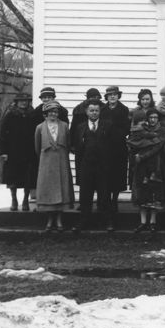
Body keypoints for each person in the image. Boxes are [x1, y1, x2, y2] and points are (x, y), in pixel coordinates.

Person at [71, 100, 112, 232]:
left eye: (96, 110)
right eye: (91, 110)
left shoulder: (108, 125)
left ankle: (106, 222)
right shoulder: (80, 127)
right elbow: (78, 150)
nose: (94, 113)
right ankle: (83, 221)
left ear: (100, 112)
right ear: (86, 112)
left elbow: (112, 147)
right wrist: (80, 168)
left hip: (103, 166)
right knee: (85, 196)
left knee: (104, 195)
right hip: (86, 166)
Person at [34, 101, 73, 232]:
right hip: (46, 164)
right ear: (45, 114)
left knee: (62, 190)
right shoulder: (40, 127)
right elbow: (37, 147)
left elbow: (68, 144)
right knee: (48, 191)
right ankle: (49, 221)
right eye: (50, 112)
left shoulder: (64, 126)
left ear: (58, 113)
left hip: (61, 162)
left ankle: (59, 220)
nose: (53, 114)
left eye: (55, 112)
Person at [127, 108, 165, 233]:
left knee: (154, 192)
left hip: (156, 165)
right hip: (142, 166)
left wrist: (142, 155)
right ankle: (143, 221)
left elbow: (158, 146)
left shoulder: (161, 130)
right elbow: (134, 143)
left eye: (155, 118)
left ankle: (153, 222)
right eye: (151, 118)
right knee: (142, 192)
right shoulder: (142, 130)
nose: (153, 120)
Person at [0, 93, 36, 212]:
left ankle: (25, 201)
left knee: (28, 178)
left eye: (26, 101)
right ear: (17, 102)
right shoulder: (10, 115)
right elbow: (2, 134)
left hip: (29, 151)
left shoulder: (32, 115)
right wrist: (3, 151)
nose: (24, 103)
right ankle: (14, 200)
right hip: (13, 152)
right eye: (21, 101)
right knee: (12, 178)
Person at [101, 86, 131, 212]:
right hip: (104, 147)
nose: (112, 96)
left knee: (118, 174)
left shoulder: (124, 110)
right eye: (110, 95)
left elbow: (126, 128)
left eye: (115, 94)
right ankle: (106, 200)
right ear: (106, 97)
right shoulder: (102, 109)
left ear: (118, 96)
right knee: (105, 174)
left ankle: (115, 200)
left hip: (119, 146)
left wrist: (116, 133)